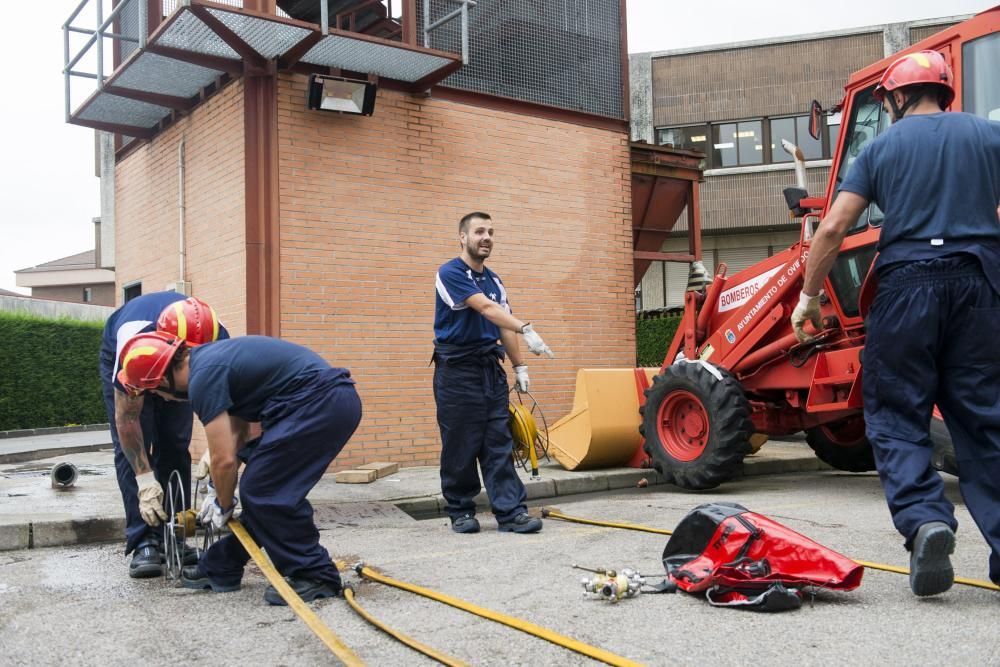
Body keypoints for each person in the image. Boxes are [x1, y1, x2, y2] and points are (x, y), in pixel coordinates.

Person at [791, 50, 1000, 596]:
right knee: (985, 420)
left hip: (907, 287)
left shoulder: (880, 150)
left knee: (896, 414)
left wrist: (808, 298)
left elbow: (834, 227)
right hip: (979, 286)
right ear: (943, 92)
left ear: (898, 97)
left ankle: (926, 519)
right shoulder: (987, 136)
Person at [115, 332, 361, 605]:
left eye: (156, 394)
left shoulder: (202, 380)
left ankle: (315, 574)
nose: (166, 400)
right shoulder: (208, 361)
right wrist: (217, 490)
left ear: (161, 381)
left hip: (319, 403)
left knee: (263, 491)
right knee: (263, 493)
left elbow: (224, 460)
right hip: (318, 403)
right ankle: (222, 566)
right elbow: (240, 436)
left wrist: (222, 502)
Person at [433, 211, 555, 535]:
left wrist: (520, 366)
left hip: (489, 370)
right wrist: (527, 327)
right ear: (463, 237)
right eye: (479, 232)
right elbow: (486, 309)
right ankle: (460, 510)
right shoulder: (449, 273)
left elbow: (502, 325)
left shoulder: (494, 280)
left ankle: (511, 512)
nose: (486, 238)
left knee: (497, 442)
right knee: (460, 444)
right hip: (457, 371)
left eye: (490, 232)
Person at [99, 293, 227, 578]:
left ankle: (175, 535)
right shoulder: (134, 343)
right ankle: (144, 538)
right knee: (136, 442)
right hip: (134, 357)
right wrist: (145, 481)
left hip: (178, 363)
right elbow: (127, 419)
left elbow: (225, 396)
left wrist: (219, 450)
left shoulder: (218, 336)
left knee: (175, 441)